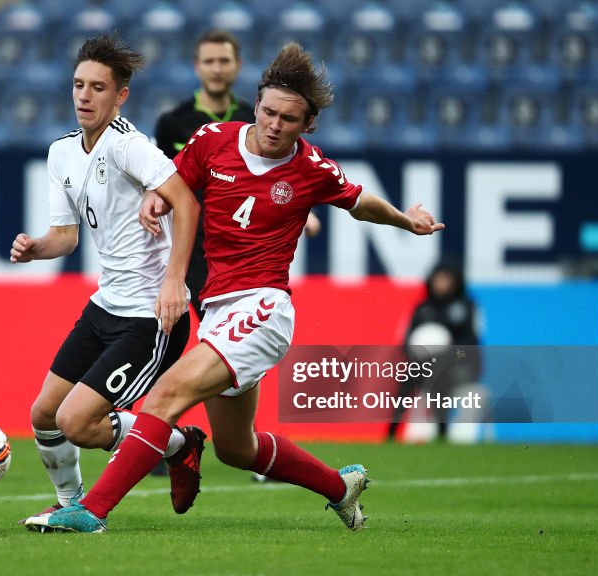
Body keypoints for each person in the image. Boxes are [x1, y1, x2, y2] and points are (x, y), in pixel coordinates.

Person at [25, 42, 445, 534]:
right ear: (258, 104)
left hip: (264, 309)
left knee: (167, 393)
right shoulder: (212, 140)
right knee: (235, 449)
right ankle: (339, 487)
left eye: (288, 120)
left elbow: (359, 201)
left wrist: (405, 220)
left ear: (307, 125)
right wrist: (154, 203)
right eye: (267, 111)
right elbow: (176, 186)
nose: (272, 125)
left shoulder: (310, 168)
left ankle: (90, 511)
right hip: (219, 311)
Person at [9, 32, 205, 526]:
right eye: (78, 85)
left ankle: (180, 444)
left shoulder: (130, 146)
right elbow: (65, 237)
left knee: (78, 421)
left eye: (98, 87)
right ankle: (70, 503)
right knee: (44, 415)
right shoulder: (62, 154)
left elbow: (186, 202)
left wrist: (173, 282)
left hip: (150, 316)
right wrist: (36, 248)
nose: (84, 96)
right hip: (105, 306)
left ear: (120, 96)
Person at [150, 28, 320, 480]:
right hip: (194, 251)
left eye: (224, 61)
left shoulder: (260, 116)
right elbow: (166, 181)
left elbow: (291, 182)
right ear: (197, 66)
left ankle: (164, 434)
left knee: (220, 349)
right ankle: (160, 432)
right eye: (209, 61)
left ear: (236, 67)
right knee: (181, 343)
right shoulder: (175, 123)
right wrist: (157, 201)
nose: (217, 68)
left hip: (242, 259)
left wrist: (305, 210)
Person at [387, 258, 482, 442]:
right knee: (407, 379)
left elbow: (470, 345)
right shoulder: (422, 309)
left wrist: (446, 356)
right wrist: (416, 357)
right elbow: (407, 341)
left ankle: (441, 430)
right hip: (424, 362)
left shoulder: (467, 308)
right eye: (439, 279)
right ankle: (391, 432)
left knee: (441, 376)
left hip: (460, 360)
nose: (442, 284)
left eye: (447, 280)